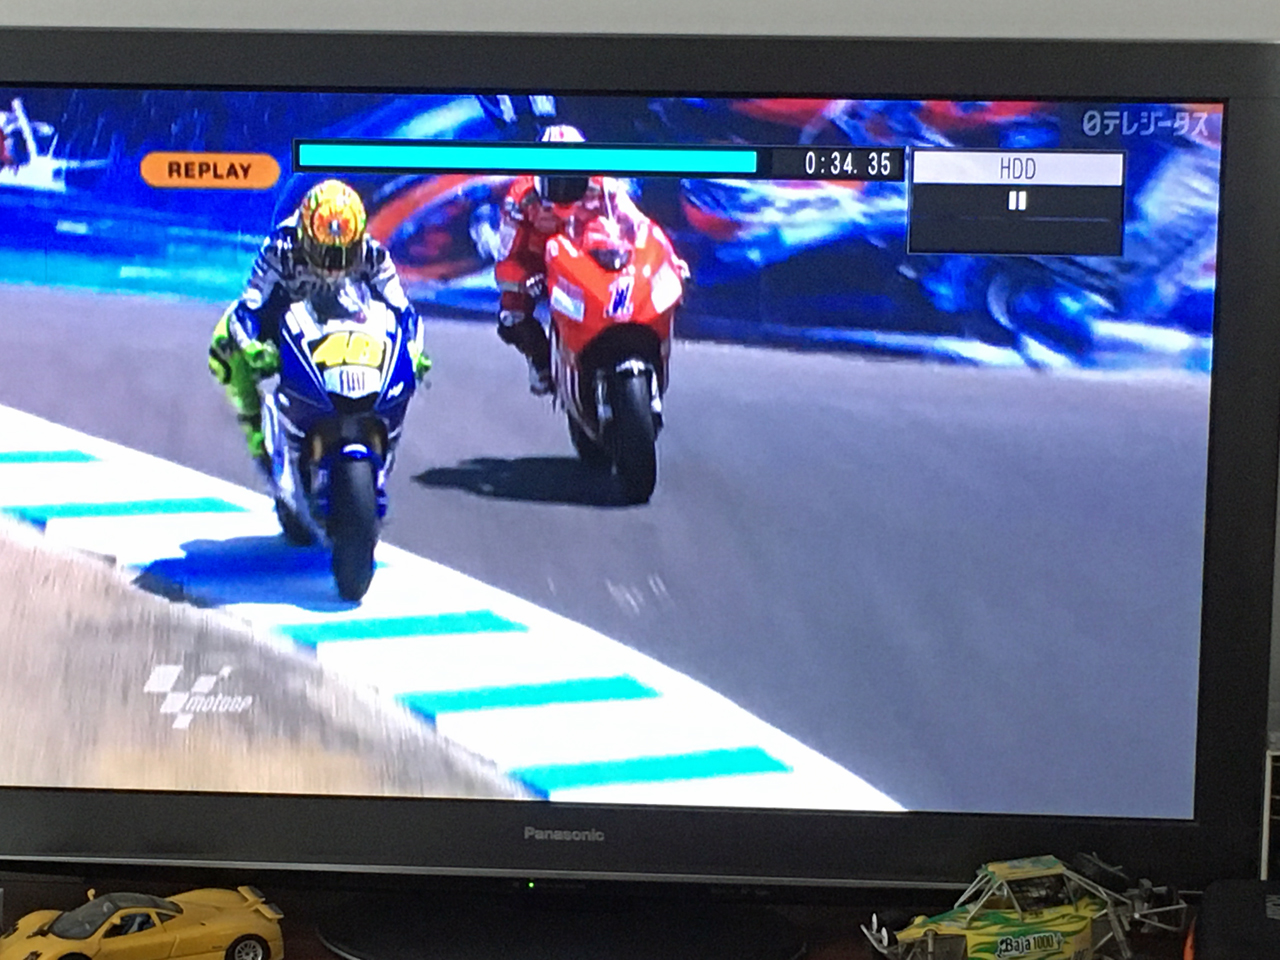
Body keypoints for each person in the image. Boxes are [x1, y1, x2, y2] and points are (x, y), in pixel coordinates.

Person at [207, 178, 431, 466]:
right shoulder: (279, 248)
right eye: (324, 251)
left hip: (350, 316)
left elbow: (403, 309)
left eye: (344, 253)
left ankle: (383, 425)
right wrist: (251, 346)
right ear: (306, 236)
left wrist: (414, 350)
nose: (333, 264)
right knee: (224, 345)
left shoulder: (373, 254)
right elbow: (249, 304)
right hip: (284, 314)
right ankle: (254, 428)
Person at [493, 124, 675, 394]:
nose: (564, 186)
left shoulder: (604, 184)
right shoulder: (519, 199)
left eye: (573, 175)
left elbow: (637, 223)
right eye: (555, 177)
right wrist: (522, 279)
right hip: (538, 259)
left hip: (585, 251)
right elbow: (506, 254)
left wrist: (670, 260)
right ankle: (540, 362)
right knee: (511, 316)